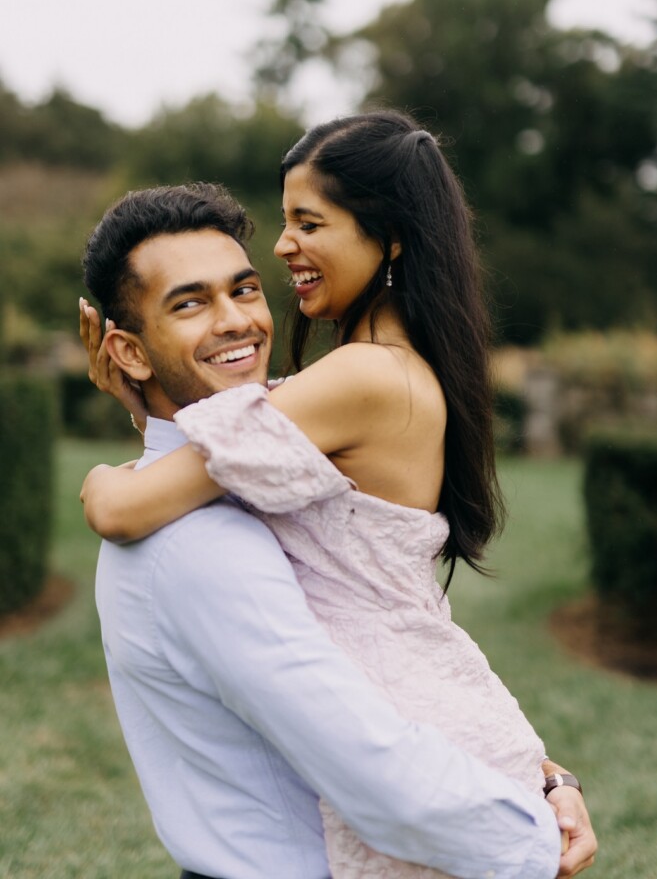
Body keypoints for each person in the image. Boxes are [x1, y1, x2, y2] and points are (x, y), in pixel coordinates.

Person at [81, 151, 595, 877]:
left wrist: (542, 777)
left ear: (386, 237)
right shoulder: (203, 542)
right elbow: (381, 779)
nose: (239, 322)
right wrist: (530, 841)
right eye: (190, 302)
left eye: (245, 289)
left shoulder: (327, 402)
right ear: (127, 349)